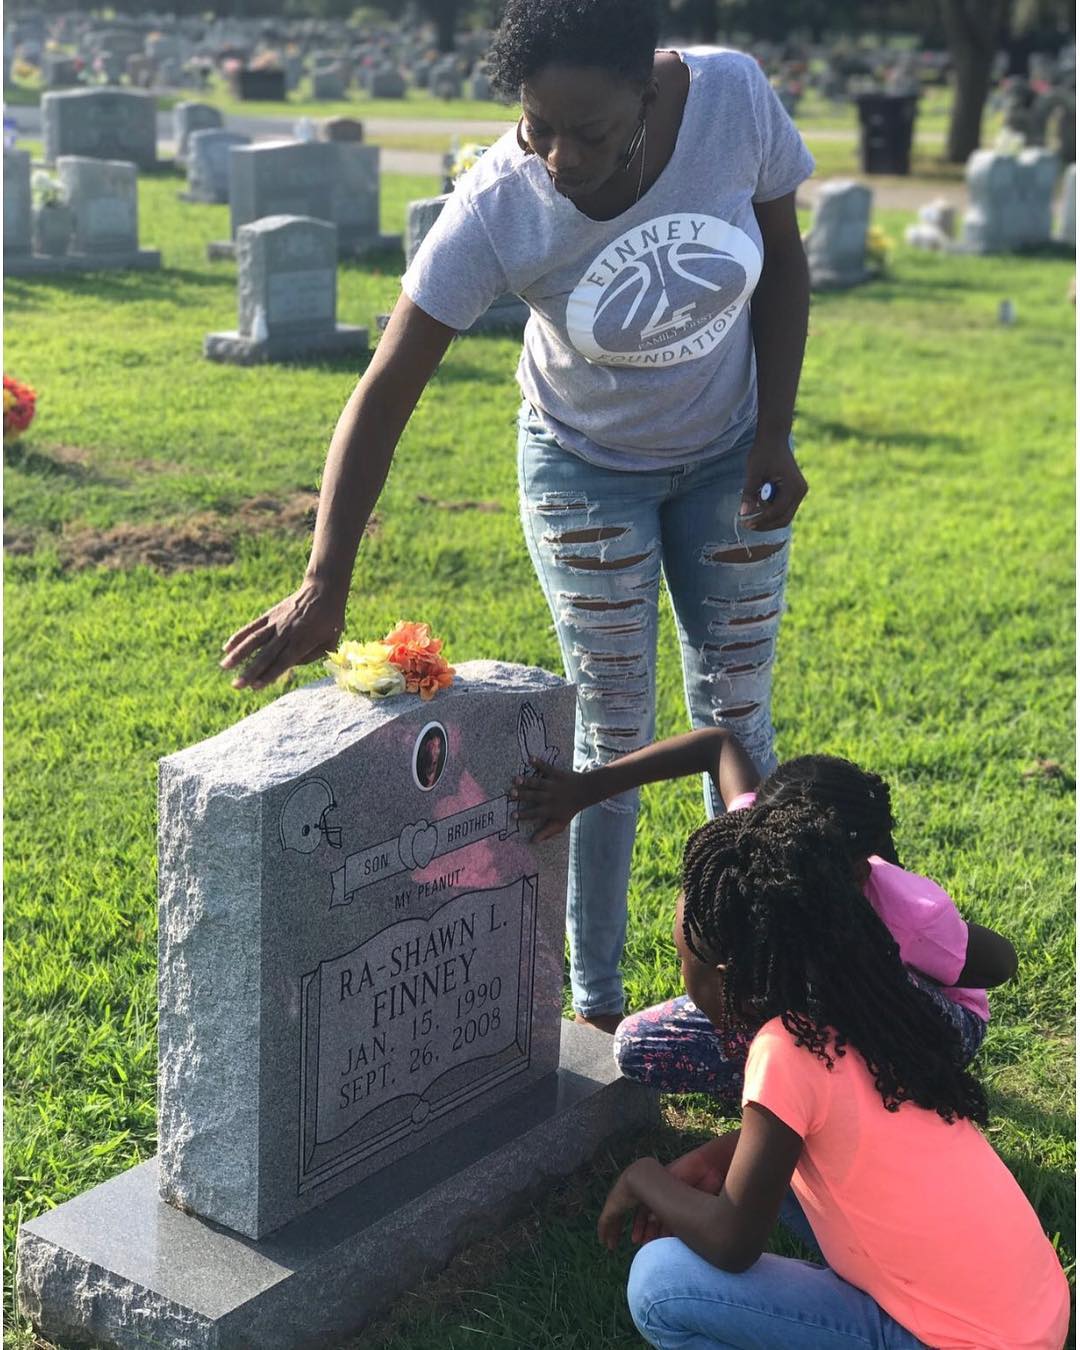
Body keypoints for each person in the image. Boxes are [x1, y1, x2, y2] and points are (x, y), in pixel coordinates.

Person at [220, 0, 815, 1032]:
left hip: (730, 453)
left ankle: (756, 978)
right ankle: (597, 1009)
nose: (557, 154)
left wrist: (777, 434)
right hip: (586, 469)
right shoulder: (499, 205)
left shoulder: (731, 98)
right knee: (612, 731)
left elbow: (784, 263)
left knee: (738, 715)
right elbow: (385, 388)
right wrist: (326, 581)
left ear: (648, 85)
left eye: (588, 129)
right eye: (538, 124)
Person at [596, 798, 1069, 1350]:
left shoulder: (782, 1050)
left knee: (659, 1283)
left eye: (685, 960)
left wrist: (642, 1175)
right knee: (780, 1178)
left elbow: (731, 1242)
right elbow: (839, 1131)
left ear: (724, 976)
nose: (683, 977)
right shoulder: (861, 1006)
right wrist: (716, 1156)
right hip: (1035, 1320)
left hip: (950, 1341)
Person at [510, 728, 1017, 1089]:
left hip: (900, 1012)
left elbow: (999, 963)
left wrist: (904, 941)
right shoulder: (753, 846)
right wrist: (586, 789)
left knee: (853, 1022)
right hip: (786, 1013)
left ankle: (834, 1093)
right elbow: (717, 744)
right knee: (637, 1047)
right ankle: (791, 1076)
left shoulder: (906, 912)